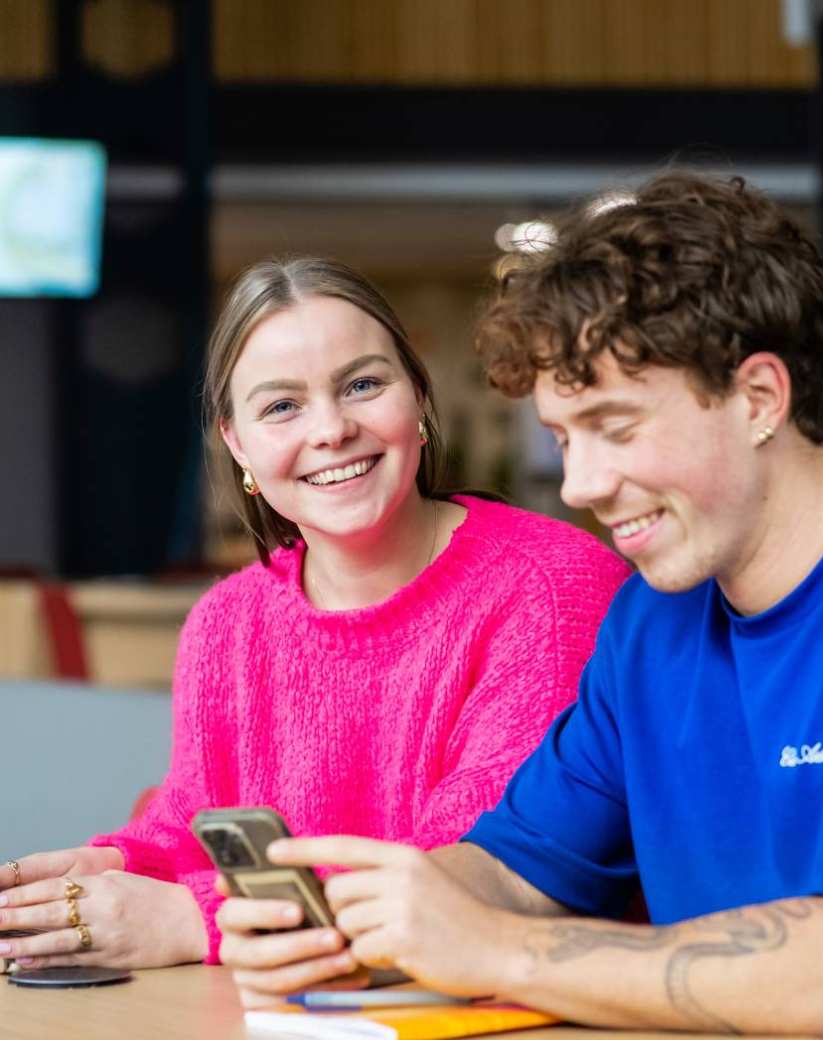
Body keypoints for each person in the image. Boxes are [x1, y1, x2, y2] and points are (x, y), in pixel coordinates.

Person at [216, 174, 823, 1038]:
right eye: (564, 438)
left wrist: (496, 950)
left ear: (759, 397)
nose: (580, 485)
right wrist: (353, 923)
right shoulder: (652, 621)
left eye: (615, 427)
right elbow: (512, 869)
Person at [0, 257, 629, 973]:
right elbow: (197, 828)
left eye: (363, 384)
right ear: (237, 444)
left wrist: (192, 919)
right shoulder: (226, 622)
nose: (331, 430)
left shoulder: (552, 588)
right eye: (281, 406)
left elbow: (479, 876)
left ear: (419, 400)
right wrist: (119, 861)